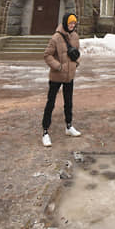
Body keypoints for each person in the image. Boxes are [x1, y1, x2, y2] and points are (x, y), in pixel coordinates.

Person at [41, 13, 82, 147]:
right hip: (56, 76)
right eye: (70, 23)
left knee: (68, 102)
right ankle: (45, 132)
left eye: (74, 24)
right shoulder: (56, 37)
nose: (72, 26)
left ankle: (69, 126)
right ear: (65, 23)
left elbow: (77, 52)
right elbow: (47, 55)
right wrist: (58, 66)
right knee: (51, 103)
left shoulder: (75, 36)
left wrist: (77, 63)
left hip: (69, 76)